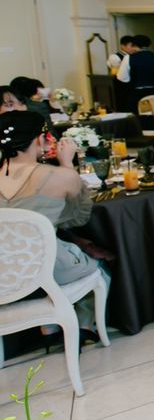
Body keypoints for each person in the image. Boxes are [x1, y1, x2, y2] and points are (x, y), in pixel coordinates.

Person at [0, 111, 107, 338]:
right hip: (48, 268)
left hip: (4, 275)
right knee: (99, 266)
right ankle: (84, 325)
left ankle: (48, 326)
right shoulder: (60, 176)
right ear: (40, 140)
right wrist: (66, 164)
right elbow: (78, 218)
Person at [116, 35, 154, 112]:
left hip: (137, 94)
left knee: (140, 116)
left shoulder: (129, 58)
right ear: (149, 45)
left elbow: (122, 77)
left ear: (134, 45)